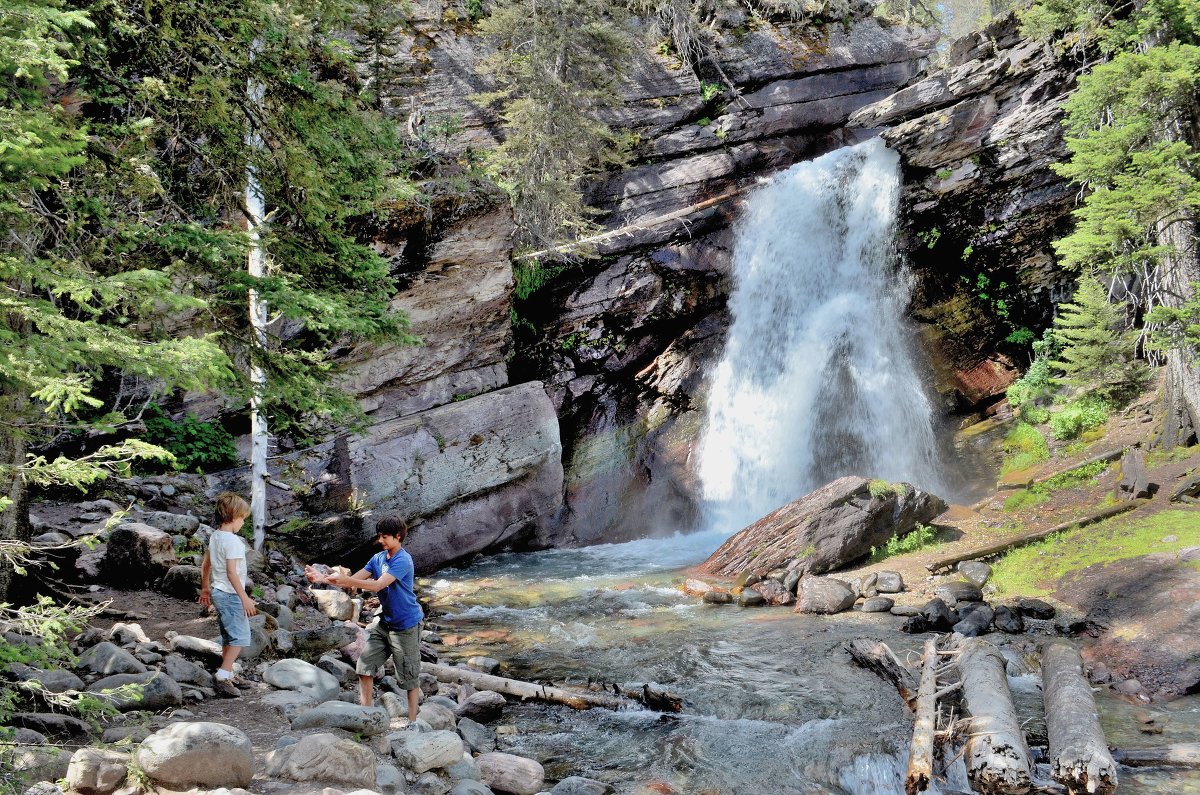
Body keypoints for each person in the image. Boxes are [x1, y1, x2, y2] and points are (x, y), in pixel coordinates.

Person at [305, 516, 424, 721]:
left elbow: (378, 585)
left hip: (407, 625)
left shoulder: (403, 560)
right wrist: (322, 578)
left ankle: (413, 721)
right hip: (385, 623)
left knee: (409, 677)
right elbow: (354, 581)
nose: (381, 540)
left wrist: (345, 579)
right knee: (364, 666)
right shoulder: (377, 559)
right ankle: (366, 714)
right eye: (379, 536)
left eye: (385, 537)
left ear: (398, 537)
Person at [199, 492, 258, 699]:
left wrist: (205, 588)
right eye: (242, 518)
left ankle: (229, 671)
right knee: (240, 638)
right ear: (233, 516)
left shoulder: (215, 536)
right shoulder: (233, 542)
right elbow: (232, 572)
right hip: (231, 595)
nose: (243, 523)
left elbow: (206, 564)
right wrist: (244, 598)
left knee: (228, 635)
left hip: (218, 591)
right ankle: (222, 677)